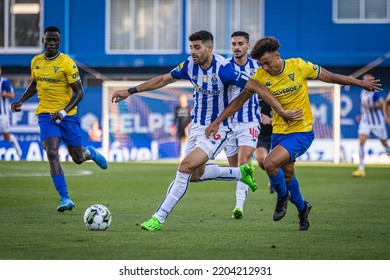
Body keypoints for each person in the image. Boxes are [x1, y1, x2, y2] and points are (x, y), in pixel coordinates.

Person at [111, 30, 302, 231]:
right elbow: (163, 80)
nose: (193, 51)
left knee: (184, 167)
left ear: (209, 48)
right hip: (196, 127)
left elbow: (256, 86)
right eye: (191, 47)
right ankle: (239, 174)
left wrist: (280, 110)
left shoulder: (224, 69)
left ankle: (158, 218)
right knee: (194, 175)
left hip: (217, 128)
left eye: (197, 47)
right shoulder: (189, 66)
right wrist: (130, 91)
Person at [205, 37, 382, 231]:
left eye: (267, 62)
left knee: (270, 163)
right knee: (288, 177)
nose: (264, 67)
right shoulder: (260, 77)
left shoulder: (298, 66)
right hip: (278, 133)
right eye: (261, 64)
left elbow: (330, 77)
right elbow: (238, 101)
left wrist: (360, 83)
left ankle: (282, 198)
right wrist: (217, 122)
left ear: (277, 56)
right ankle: (303, 208)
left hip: (301, 132)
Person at [11, 26, 108, 212]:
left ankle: (91, 153)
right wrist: (21, 100)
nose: (52, 43)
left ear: (59, 42)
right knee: (52, 152)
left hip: (67, 116)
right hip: (46, 115)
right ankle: (65, 199)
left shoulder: (67, 63)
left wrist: (63, 112)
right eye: (49, 40)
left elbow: (79, 93)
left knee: (78, 158)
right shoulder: (36, 62)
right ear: (43, 41)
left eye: (55, 40)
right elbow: (34, 84)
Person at [222, 31, 261, 219]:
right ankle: (247, 172)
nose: (236, 47)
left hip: (249, 121)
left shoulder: (258, 67)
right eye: (233, 44)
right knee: (237, 171)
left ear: (248, 46)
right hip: (228, 125)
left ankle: (239, 207)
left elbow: (268, 90)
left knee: (243, 162)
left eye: (240, 44)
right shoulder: (225, 67)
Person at [352, 73, 390, 177]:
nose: (366, 82)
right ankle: (361, 168)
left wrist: (370, 107)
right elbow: (364, 108)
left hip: (377, 122)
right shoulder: (362, 92)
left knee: (385, 144)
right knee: (361, 143)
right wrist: (362, 115)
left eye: (368, 80)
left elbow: (382, 104)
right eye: (365, 80)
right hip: (365, 122)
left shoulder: (375, 93)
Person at [0, 66, 22, 157]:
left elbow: (12, 95)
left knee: (6, 136)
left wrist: (1, 94)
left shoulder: (4, 82)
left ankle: (14, 142)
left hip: (2, 114)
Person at [254, 98, 274, 194]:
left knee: (286, 167)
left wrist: (270, 120)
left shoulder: (275, 93)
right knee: (262, 159)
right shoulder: (250, 95)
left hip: (278, 133)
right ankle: (272, 176)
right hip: (260, 135)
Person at [173, 93, 191, 159]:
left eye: (183, 99)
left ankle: (185, 155)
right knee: (179, 141)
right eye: (181, 99)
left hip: (187, 127)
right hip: (180, 127)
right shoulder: (177, 109)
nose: (182, 100)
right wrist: (173, 127)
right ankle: (180, 155)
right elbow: (175, 119)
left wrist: (188, 126)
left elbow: (192, 118)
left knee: (186, 140)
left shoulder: (189, 108)